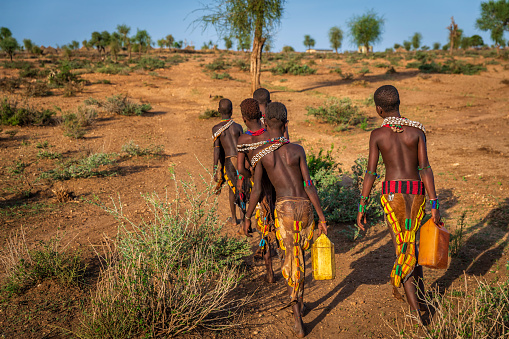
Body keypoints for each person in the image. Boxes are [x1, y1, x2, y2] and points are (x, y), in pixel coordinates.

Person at [357, 85, 441, 324]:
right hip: (416, 195)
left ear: (379, 109)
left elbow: (371, 172)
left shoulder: (378, 135)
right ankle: (422, 298)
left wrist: (362, 205)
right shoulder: (416, 132)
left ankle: (416, 312)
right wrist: (434, 203)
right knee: (411, 244)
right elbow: (424, 168)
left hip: (393, 196)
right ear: (399, 103)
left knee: (403, 250)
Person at [243, 102, 328, 338]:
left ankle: (297, 315)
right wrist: (321, 217)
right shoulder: (297, 150)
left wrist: (248, 216)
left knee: (291, 259)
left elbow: (258, 190)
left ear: (265, 123)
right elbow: (309, 185)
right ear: (286, 124)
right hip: (305, 208)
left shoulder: (262, 156)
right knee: (300, 256)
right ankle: (300, 302)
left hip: (284, 211)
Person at [236, 98, 278, 282]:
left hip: (259, 192)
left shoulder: (244, 140)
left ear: (244, 118)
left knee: (264, 228)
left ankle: (269, 273)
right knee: (280, 227)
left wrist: (251, 172)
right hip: (277, 186)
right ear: (261, 115)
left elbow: (241, 170)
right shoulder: (270, 134)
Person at [212, 98, 245, 225]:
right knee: (242, 188)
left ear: (218, 110)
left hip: (229, 162)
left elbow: (216, 150)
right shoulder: (238, 127)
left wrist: (215, 169)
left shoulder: (216, 129)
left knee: (232, 189)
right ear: (232, 110)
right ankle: (243, 219)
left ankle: (234, 218)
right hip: (240, 160)